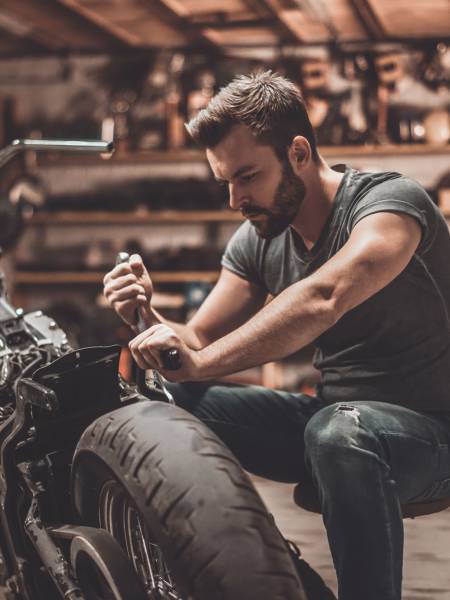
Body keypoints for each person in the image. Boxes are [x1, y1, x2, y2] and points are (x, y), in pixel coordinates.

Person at [103, 71, 450, 600]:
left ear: (299, 152)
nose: (234, 199)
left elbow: (323, 297)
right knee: (169, 398)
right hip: (329, 427)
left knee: (340, 432)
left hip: (430, 439)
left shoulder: (390, 205)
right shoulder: (258, 237)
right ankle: (241, 569)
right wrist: (145, 316)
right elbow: (194, 339)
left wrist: (201, 360)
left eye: (247, 177)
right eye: (225, 182)